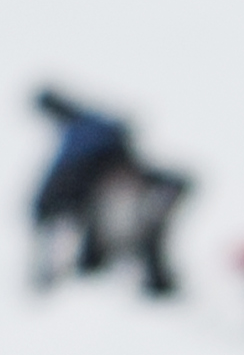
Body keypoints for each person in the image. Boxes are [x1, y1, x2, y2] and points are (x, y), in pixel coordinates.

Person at [26, 90, 191, 296]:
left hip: (101, 208)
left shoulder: (87, 144)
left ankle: (153, 287)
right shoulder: (94, 144)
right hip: (97, 208)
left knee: (113, 248)